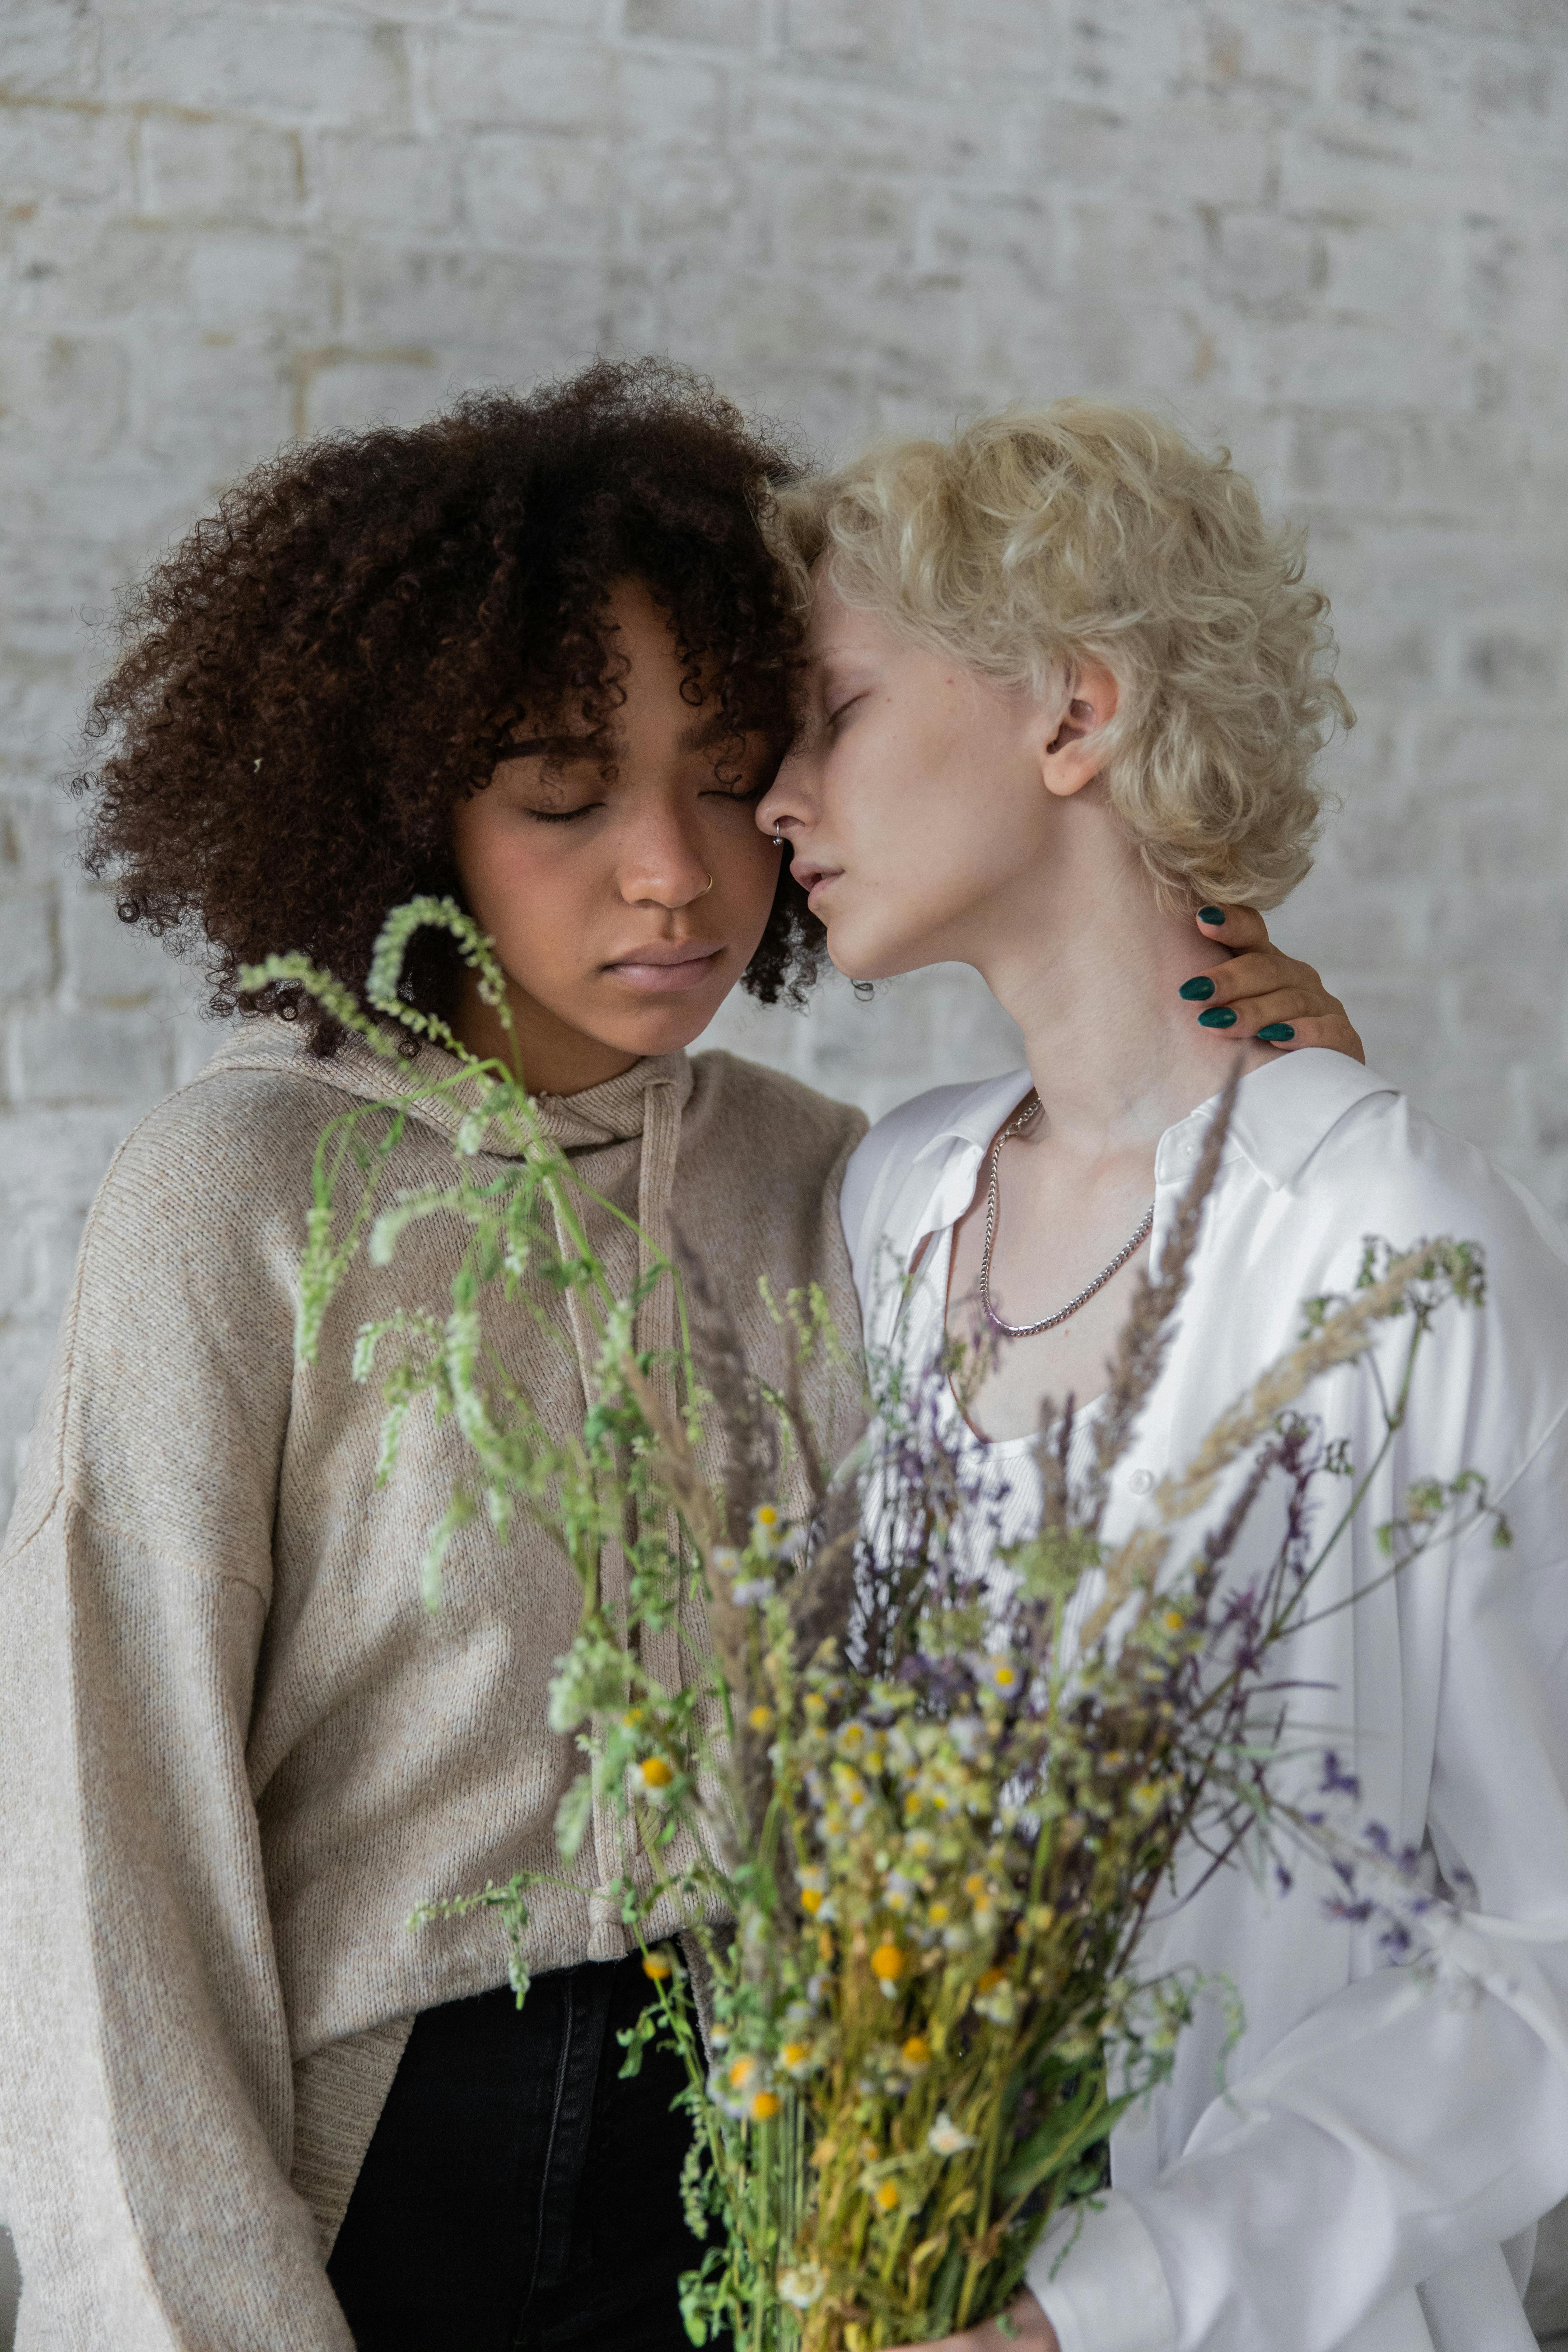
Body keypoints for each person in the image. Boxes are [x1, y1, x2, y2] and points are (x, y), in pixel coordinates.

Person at [0, 363, 1352, 2352]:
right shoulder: (239, 1198)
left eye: (729, 774)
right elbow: (107, 1863)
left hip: (781, 2172)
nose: (676, 869)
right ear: (407, 802)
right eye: (563, 792)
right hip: (367, 2192)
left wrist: (1270, 1078)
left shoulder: (835, 1182)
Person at [756, 399, 1568, 2352]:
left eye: (833, 714)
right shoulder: (897, 1203)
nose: (771, 801)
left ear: (1075, 714)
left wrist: (1105, 2312)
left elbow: (1541, 1961)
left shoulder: (1387, 1241)